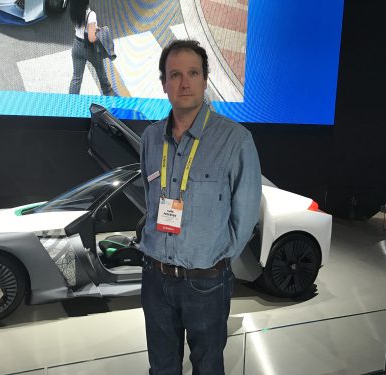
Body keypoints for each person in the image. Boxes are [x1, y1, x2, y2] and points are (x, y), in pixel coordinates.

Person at [139, 39, 262, 374]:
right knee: (161, 367)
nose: (184, 82)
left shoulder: (235, 140)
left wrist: (215, 261)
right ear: (163, 82)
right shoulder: (150, 138)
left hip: (205, 284)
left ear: (205, 79)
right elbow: (151, 201)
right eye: (174, 74)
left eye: (193, 73)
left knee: (208, 367)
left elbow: (246, 215)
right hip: (155, 278)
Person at [69, 0, 114, 95]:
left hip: (76, 45)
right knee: (101, 72)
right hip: (89, 49)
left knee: (76, 77)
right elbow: (91, 38)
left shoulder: (74, 10)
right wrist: (99, 33)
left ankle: (71, 101)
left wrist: (93, 28)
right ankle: (109, 94)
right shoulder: (91, 14)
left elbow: (82, 28)